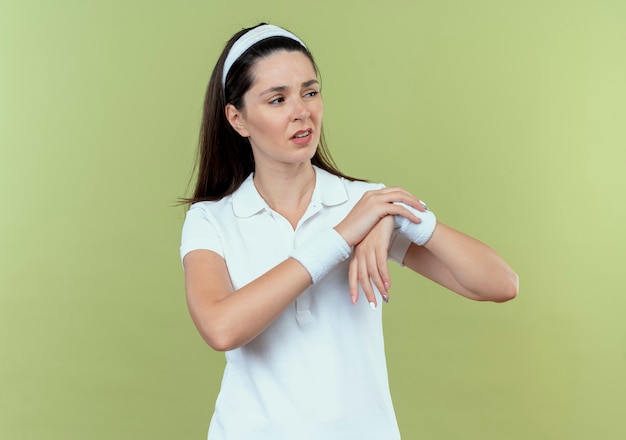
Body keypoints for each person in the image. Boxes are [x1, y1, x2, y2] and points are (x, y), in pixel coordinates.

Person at [180, 23, 518, 440]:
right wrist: (341, 238)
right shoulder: (211, 219)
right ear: (238, 118)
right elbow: (221, 327)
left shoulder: (367, 205)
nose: (301, 111)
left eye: (310, 92)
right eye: (277, 99)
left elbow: (500, 284)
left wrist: (400, 217)